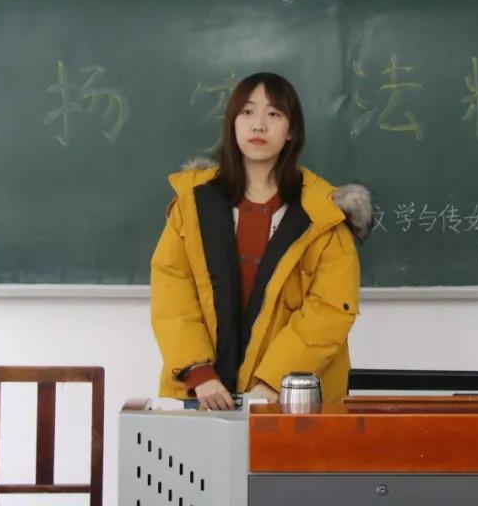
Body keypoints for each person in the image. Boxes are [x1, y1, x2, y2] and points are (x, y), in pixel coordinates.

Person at [150, 72, 371, 409]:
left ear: (291, 131)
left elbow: (329, 310)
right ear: (233, 123)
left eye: (274, 114)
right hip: (206, 394)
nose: (259, 125)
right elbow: (172, 288)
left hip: (295, 397)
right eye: (248, 112)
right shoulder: (194, 203)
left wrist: (274, 381)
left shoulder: (323, 213)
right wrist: (199, 372)